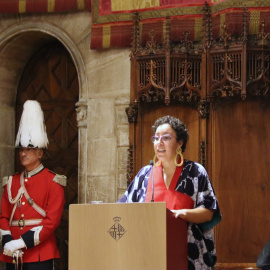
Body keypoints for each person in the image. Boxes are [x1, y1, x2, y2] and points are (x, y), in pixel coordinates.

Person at [118, 115, 221, 270]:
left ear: (179, 142)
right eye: (156, 138)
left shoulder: (195, 171)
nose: (159, 142)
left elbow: (208, 212)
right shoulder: (144, 174)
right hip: (148, 255)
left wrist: (180, 214)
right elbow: (124, 210)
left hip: (188, 257)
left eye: (166, 138)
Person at [0, 100, 66, 270]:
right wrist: (9, 241)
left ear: (40, 153)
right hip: (13, 254)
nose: (23, 153)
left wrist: (21, 242)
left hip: (39, 253)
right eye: (21, 149)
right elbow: (4, 217)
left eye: (28, 149)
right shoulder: (11, 182)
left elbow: (51, 222)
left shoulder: (53, 182)